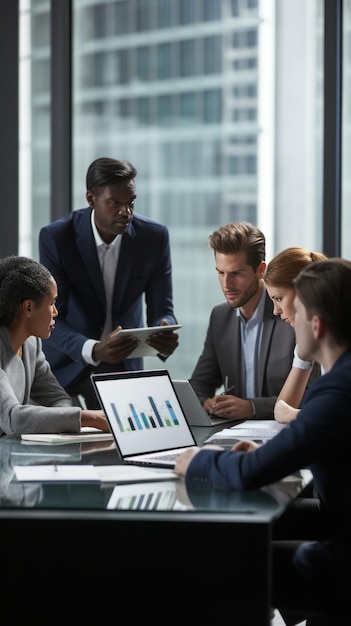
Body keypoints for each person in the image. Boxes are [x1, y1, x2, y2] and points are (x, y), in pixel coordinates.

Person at [175, 258, 351, 624]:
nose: (285, 318)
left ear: (316, 326)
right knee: (262, 528)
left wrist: (197, 461)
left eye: (294, 310)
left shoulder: (337, 391)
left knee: (225, 560)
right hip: (339, 521)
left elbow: (250, 473)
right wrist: (267, 454)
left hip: (343, 561)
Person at [39, 157, 179, 409]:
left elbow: (162, 309)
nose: (126, 212)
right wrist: (93, 349)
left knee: (125, 441)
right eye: (115, 203)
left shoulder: (153, 237)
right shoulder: (57, 238)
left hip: (123, 363)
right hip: (66, 362)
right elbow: (52, 318)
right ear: (91, 199)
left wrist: (162, 329)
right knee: (63, 436)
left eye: (131, 202)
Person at [189, 221, 295, 421]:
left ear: (260, 270)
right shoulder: (220, 317)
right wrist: (206, 401)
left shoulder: (288, 315)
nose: (227, 284)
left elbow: (310, 394)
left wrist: (253, 408)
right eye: (221, 273)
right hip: (233, 432)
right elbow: (199, 383)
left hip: (281, 429)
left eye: (236, 273)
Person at [0, 255, 109, 436]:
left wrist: (61, 421)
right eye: (51, 303)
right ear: (28, 307)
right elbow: (13, 418)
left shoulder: (32, 344)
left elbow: (58, 399)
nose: (56, 312)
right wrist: (93, 418)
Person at [264, 247, 328, 424]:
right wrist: (302, 356)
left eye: (279, 298)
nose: (276, 311)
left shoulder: (338, 345)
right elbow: (282, 408)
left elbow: (338, 416)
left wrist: (296, 415)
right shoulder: (314, 342)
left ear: (304, 293)